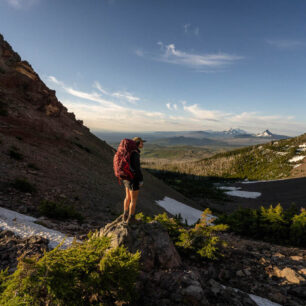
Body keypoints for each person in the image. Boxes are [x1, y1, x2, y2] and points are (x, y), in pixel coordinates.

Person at [122, 137, 146, 224]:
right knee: (133, 200)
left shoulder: (129, 152)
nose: (142, 144)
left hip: (126, 178)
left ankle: (125, 215)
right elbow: (137, 168)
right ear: (137, 143)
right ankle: (131, 218)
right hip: (133, 179)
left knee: (127, 197)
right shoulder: (135, 153)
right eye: (141, 143)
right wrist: (141, 180)